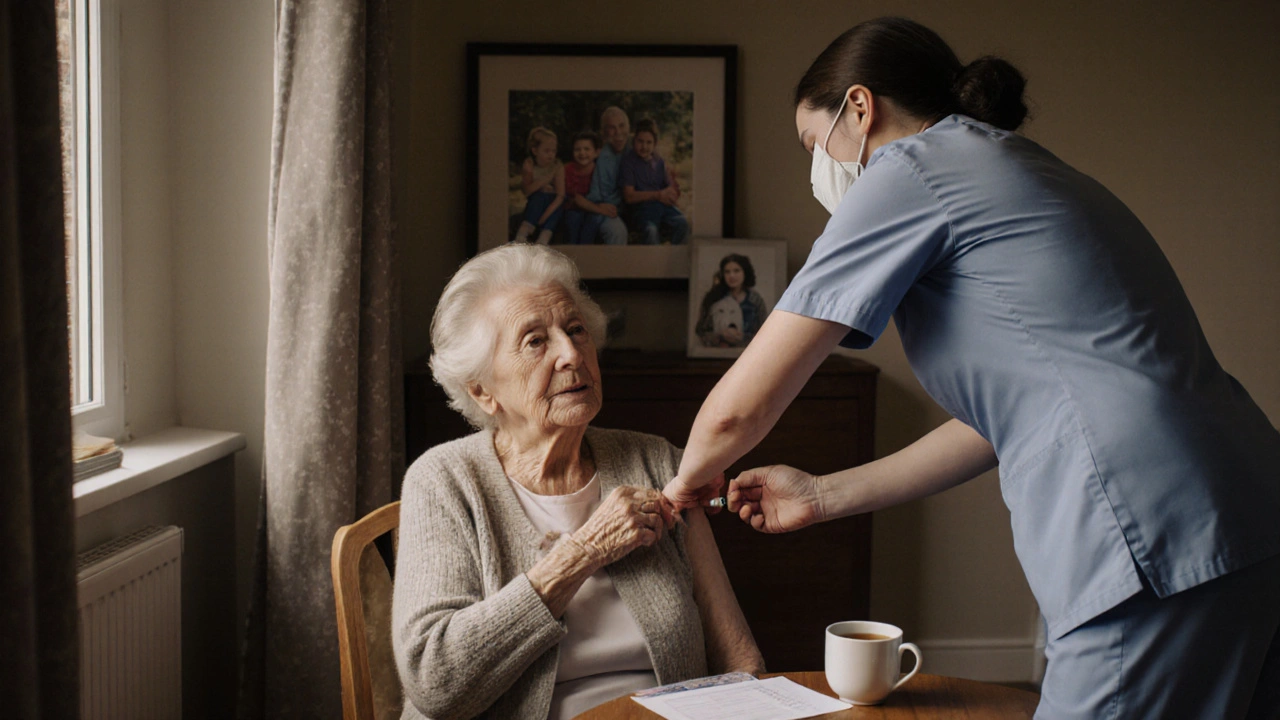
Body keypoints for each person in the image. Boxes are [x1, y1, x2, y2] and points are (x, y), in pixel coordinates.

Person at [661, 16, 1280, 720]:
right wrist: (824, 495)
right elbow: (1001, 423)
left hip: (1149, 529)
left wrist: (680, 485)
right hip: (1246, 511)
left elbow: (743, 406)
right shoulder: (1021, 167)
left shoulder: (908, 170)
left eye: (814, 142)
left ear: (860, 108)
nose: (817, 168)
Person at [394, 244, 764, 720]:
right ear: (483, 391)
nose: (571, 353)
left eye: (575, 330)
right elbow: (435, 681)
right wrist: (584, 552)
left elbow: (738, 657)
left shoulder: (654, 461)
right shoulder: (443, 482)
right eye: (535, 341)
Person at [619, 118, 688, 245]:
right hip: (642, 210)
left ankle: (671, 255)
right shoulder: (628, 162)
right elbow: (629, 196)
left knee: (683, 222)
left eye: (649, 142)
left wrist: (671, 195)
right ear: (634, 140)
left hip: (662, 208)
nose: (644, 146)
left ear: (654, 144)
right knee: (651, 231)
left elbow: (669, 187)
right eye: (640, 141)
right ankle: (655, 261)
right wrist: (658, 195)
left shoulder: (658, 161)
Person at [695, 253, 770, 347]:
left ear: (745, 272)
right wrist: (720, 335)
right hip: (717, 353)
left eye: (736, 271)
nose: (732, 276)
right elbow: (701, 331)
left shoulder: (755, 300)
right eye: (727, 272)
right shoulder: (713, 298)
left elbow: (765, 332)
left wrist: (742, 338)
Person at [583, 106, 631, 245]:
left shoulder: (636, 147)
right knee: (617, 232)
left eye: (622, 126)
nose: (618, 132)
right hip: (607, 209)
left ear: (628, 127)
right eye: (612, 128)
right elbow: (599, 198)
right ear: (604, 133)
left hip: (633, 207)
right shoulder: (602, 157)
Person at [514, 127, 565, 245]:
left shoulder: (557, 166)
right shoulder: (529, 165)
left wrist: (544, 217)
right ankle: (525, 230)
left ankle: (545, 235)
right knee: (539, 196)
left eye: (554, 151)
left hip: (553, 205)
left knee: (556, 205)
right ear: (535, 151)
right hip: (536, 202)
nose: (551, 155)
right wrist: (545, 180)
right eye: (547, 151)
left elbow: (560, 196)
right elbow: (527, 191)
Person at [563, 130, 606, 245]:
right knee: (573, 219)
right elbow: (571, 197)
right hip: (573, 208)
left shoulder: (599, 171)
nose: (582, 153)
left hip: (593, 208)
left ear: (596, 152)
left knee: (594, 220)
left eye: (587, 149)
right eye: (578, 149)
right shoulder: (567, 170)